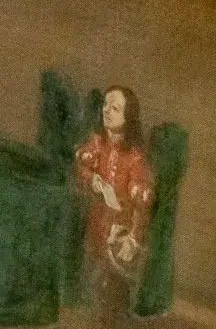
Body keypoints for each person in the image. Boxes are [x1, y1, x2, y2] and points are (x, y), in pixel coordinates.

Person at [71, 86, 156, 324]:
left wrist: (134, 238)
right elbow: (81, 165)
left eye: (115, 108)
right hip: (96, 228)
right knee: (95, 291)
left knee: (113, 295)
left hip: (120, 237)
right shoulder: (97, 143)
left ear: (128, 117)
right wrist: (93, 179)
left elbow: (143, 201)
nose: (106, 111)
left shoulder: (135, 159)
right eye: (106, 105)